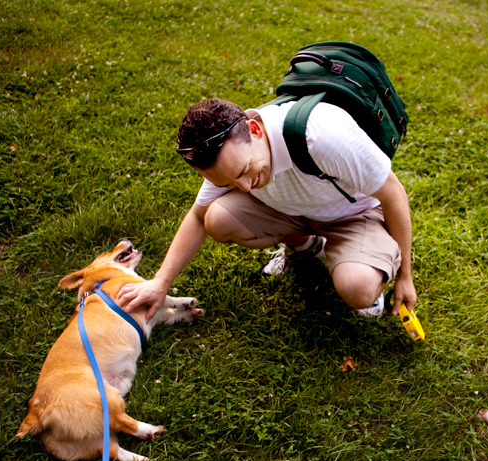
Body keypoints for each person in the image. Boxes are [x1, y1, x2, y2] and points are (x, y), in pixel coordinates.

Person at [118, 98, 416, 321]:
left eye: (246, 170)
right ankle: (306, 247)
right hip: (295, 212)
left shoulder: (321, 135)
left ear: (255, 129)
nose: (246, 186)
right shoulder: (230, 159)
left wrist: (404, 276)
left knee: (358, 290)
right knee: (218, 218)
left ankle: (368, 263)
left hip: (354, 215)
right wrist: (160, 283)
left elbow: (394, 193)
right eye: (231, 181)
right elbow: (198, 216)